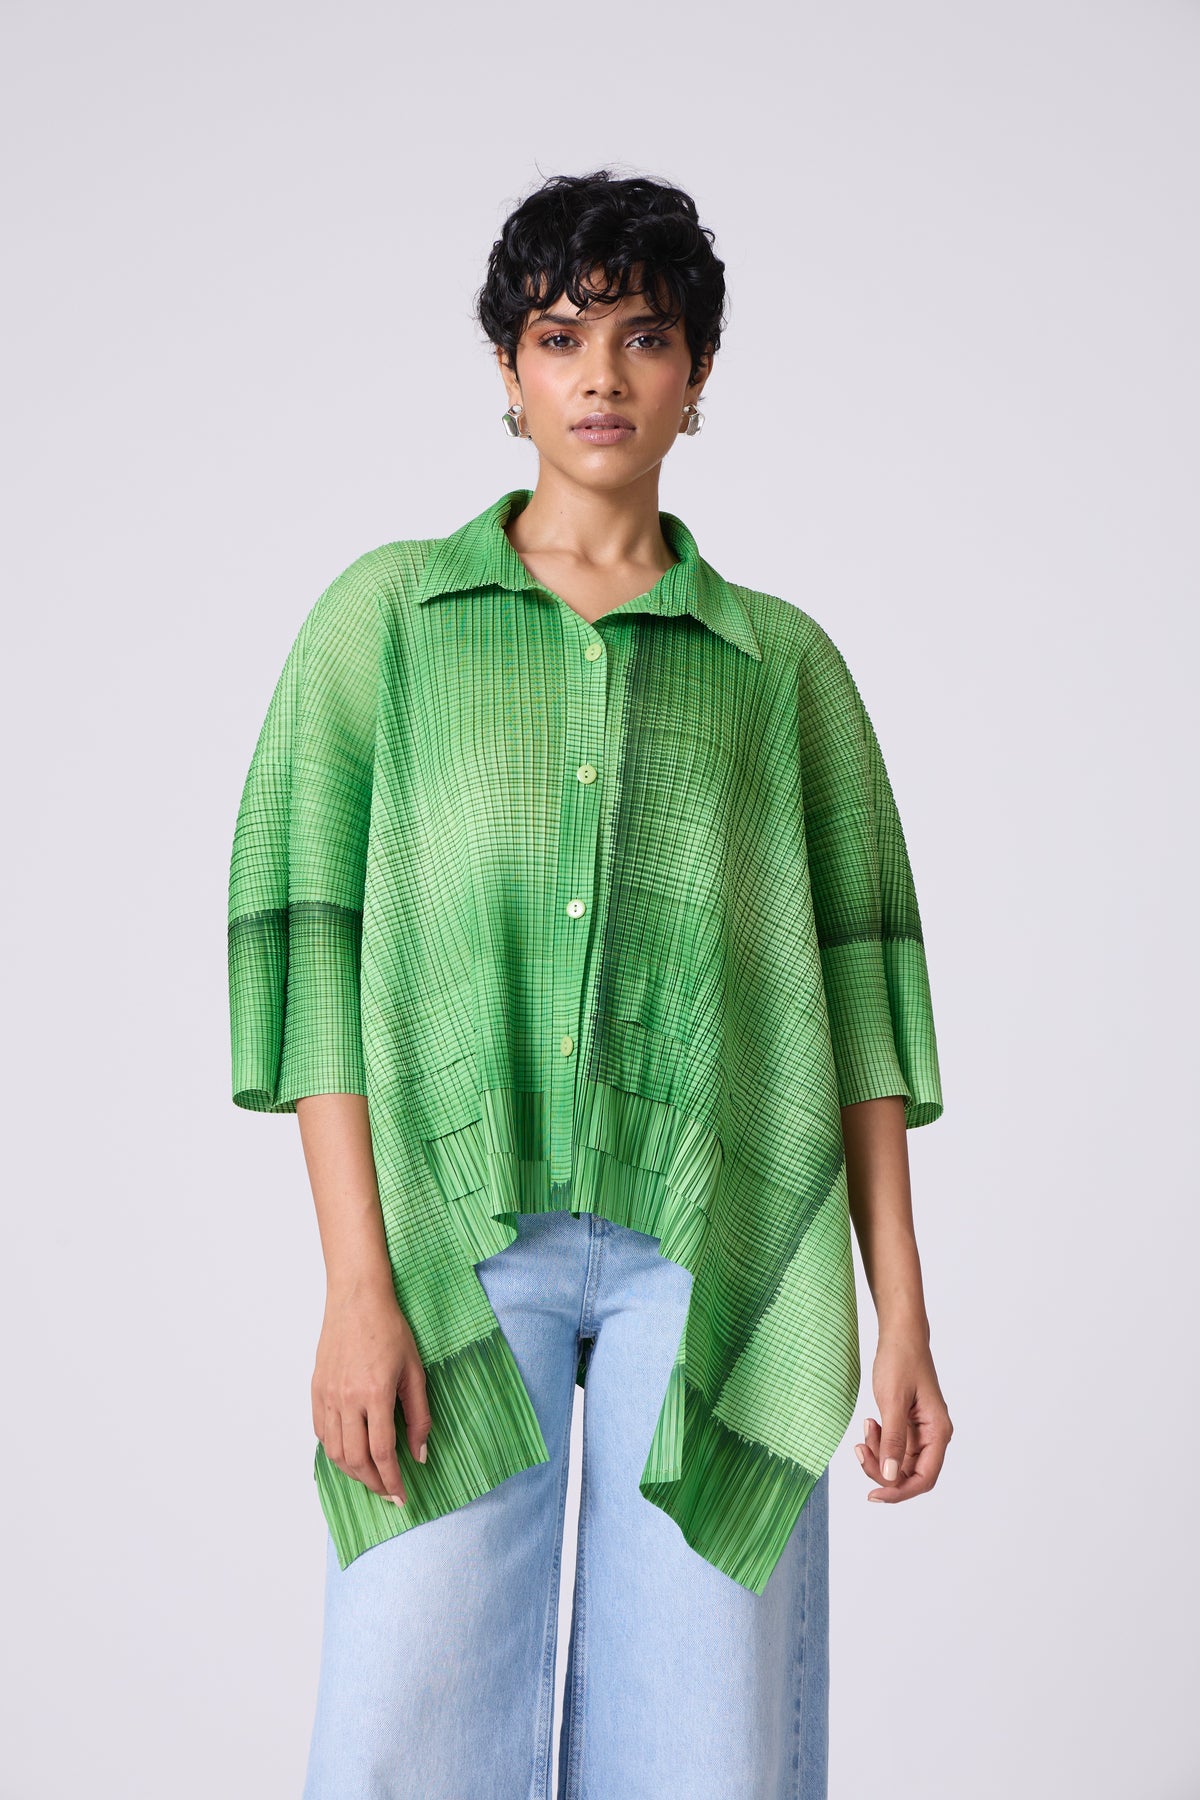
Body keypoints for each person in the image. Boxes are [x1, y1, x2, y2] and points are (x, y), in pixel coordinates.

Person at [226, 167, 953, 1800]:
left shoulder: (780, 668)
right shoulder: (387, 623)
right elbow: (312, 947)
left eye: (645, 337)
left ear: (699, 377)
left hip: (718, 1254)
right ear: (507, 369)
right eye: (561, 337)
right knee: (405, 1732)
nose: (603, 376)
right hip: (447, 1243)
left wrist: (902, 1310)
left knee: (704, 1746)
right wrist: (354, 1287)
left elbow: (860, 1007)